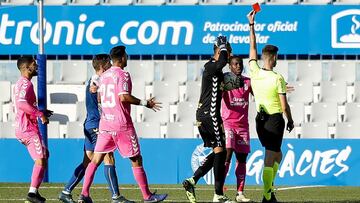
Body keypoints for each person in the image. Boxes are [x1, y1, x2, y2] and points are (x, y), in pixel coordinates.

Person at [78, 45, 167, 203]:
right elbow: (123, 97)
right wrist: (145, 103)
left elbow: (98, 96)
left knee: (96, 159)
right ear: (122, 58)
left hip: (105, 124)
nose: (127, 57)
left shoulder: (104, 75)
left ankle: (84, 194)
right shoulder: (123, 74)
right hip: (122, 125)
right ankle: (147, 196)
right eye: (126, 55)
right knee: (136, 159)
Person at [59, 54, 133, 203]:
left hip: (91, 123)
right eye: (108, 64)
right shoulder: (97, 79)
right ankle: (116, 196)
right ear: (102, 66)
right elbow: (97, 91)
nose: (111, 66)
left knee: (88, 161)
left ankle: (66, 191)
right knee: (108, 157)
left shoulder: (100, 79)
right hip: (97, 124)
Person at [247, 10, 294, 203]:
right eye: (276, 57)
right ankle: (267, 196)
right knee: (270, 156)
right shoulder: (277, 78)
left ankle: (269, 190)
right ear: (273, 57)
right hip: (274, 120)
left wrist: (251, 25)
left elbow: (252, 46)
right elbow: (284, 105)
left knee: (277, 154)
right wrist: (290, 120)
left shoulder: (254, 70)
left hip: (259, 120)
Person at [182, 36, 235, 203]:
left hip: (206, 115)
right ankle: (218, 194)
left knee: (219, 151)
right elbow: (221, 63)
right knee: (221, 150)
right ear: (218, 51)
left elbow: (228, 84)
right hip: (209, 114)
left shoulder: (215, 71)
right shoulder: (211, 66)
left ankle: (192, 181)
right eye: (227, 51)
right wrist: (223, 46)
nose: (229, 55)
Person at [14, 56, 52, 203]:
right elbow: (22, 104)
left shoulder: (21, 84)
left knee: (44, 155)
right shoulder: (26, 84)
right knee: (40, 160)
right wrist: (39, 114)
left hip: (22, 128)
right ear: (27, 67)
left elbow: (24, 105)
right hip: (27, 129)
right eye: (34, 64)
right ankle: (32, 194)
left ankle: (34, 192)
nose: (37, 66)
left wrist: (41, 110)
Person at [221, 56, 252, 203]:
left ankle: (240, 193)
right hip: (228, 123)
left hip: (243, 126)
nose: (238, 66)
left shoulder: (247, 82)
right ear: (230, 66)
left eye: (240, 64)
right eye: (235, 64)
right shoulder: (225, 82)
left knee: (242, 159)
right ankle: (219, 191)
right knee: (227, 154)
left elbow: (260, 93)